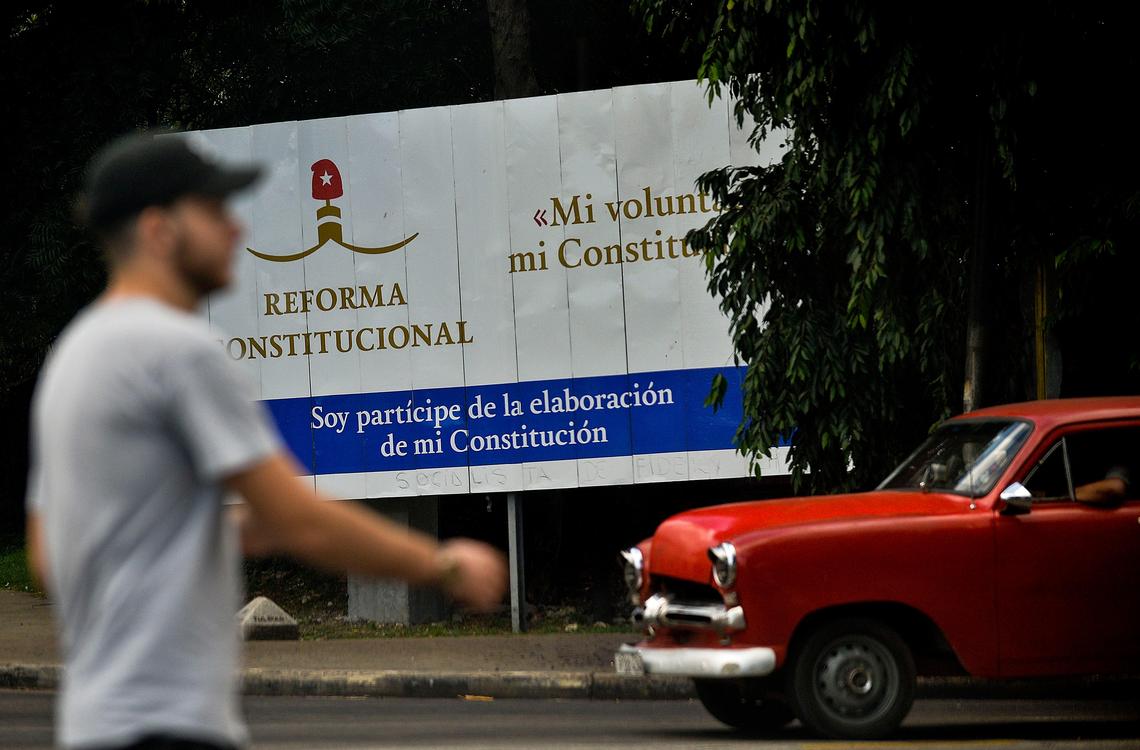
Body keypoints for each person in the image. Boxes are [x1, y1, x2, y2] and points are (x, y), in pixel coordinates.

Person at [25, 132, 508, 750]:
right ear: (159, 230)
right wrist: (442, 566)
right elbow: (300, 520)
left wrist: (198, 533)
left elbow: (49, 555)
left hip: (96, 722)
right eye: (213, 210)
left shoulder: (74, 356)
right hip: (168, 722)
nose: (236, 228)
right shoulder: (176, 351)